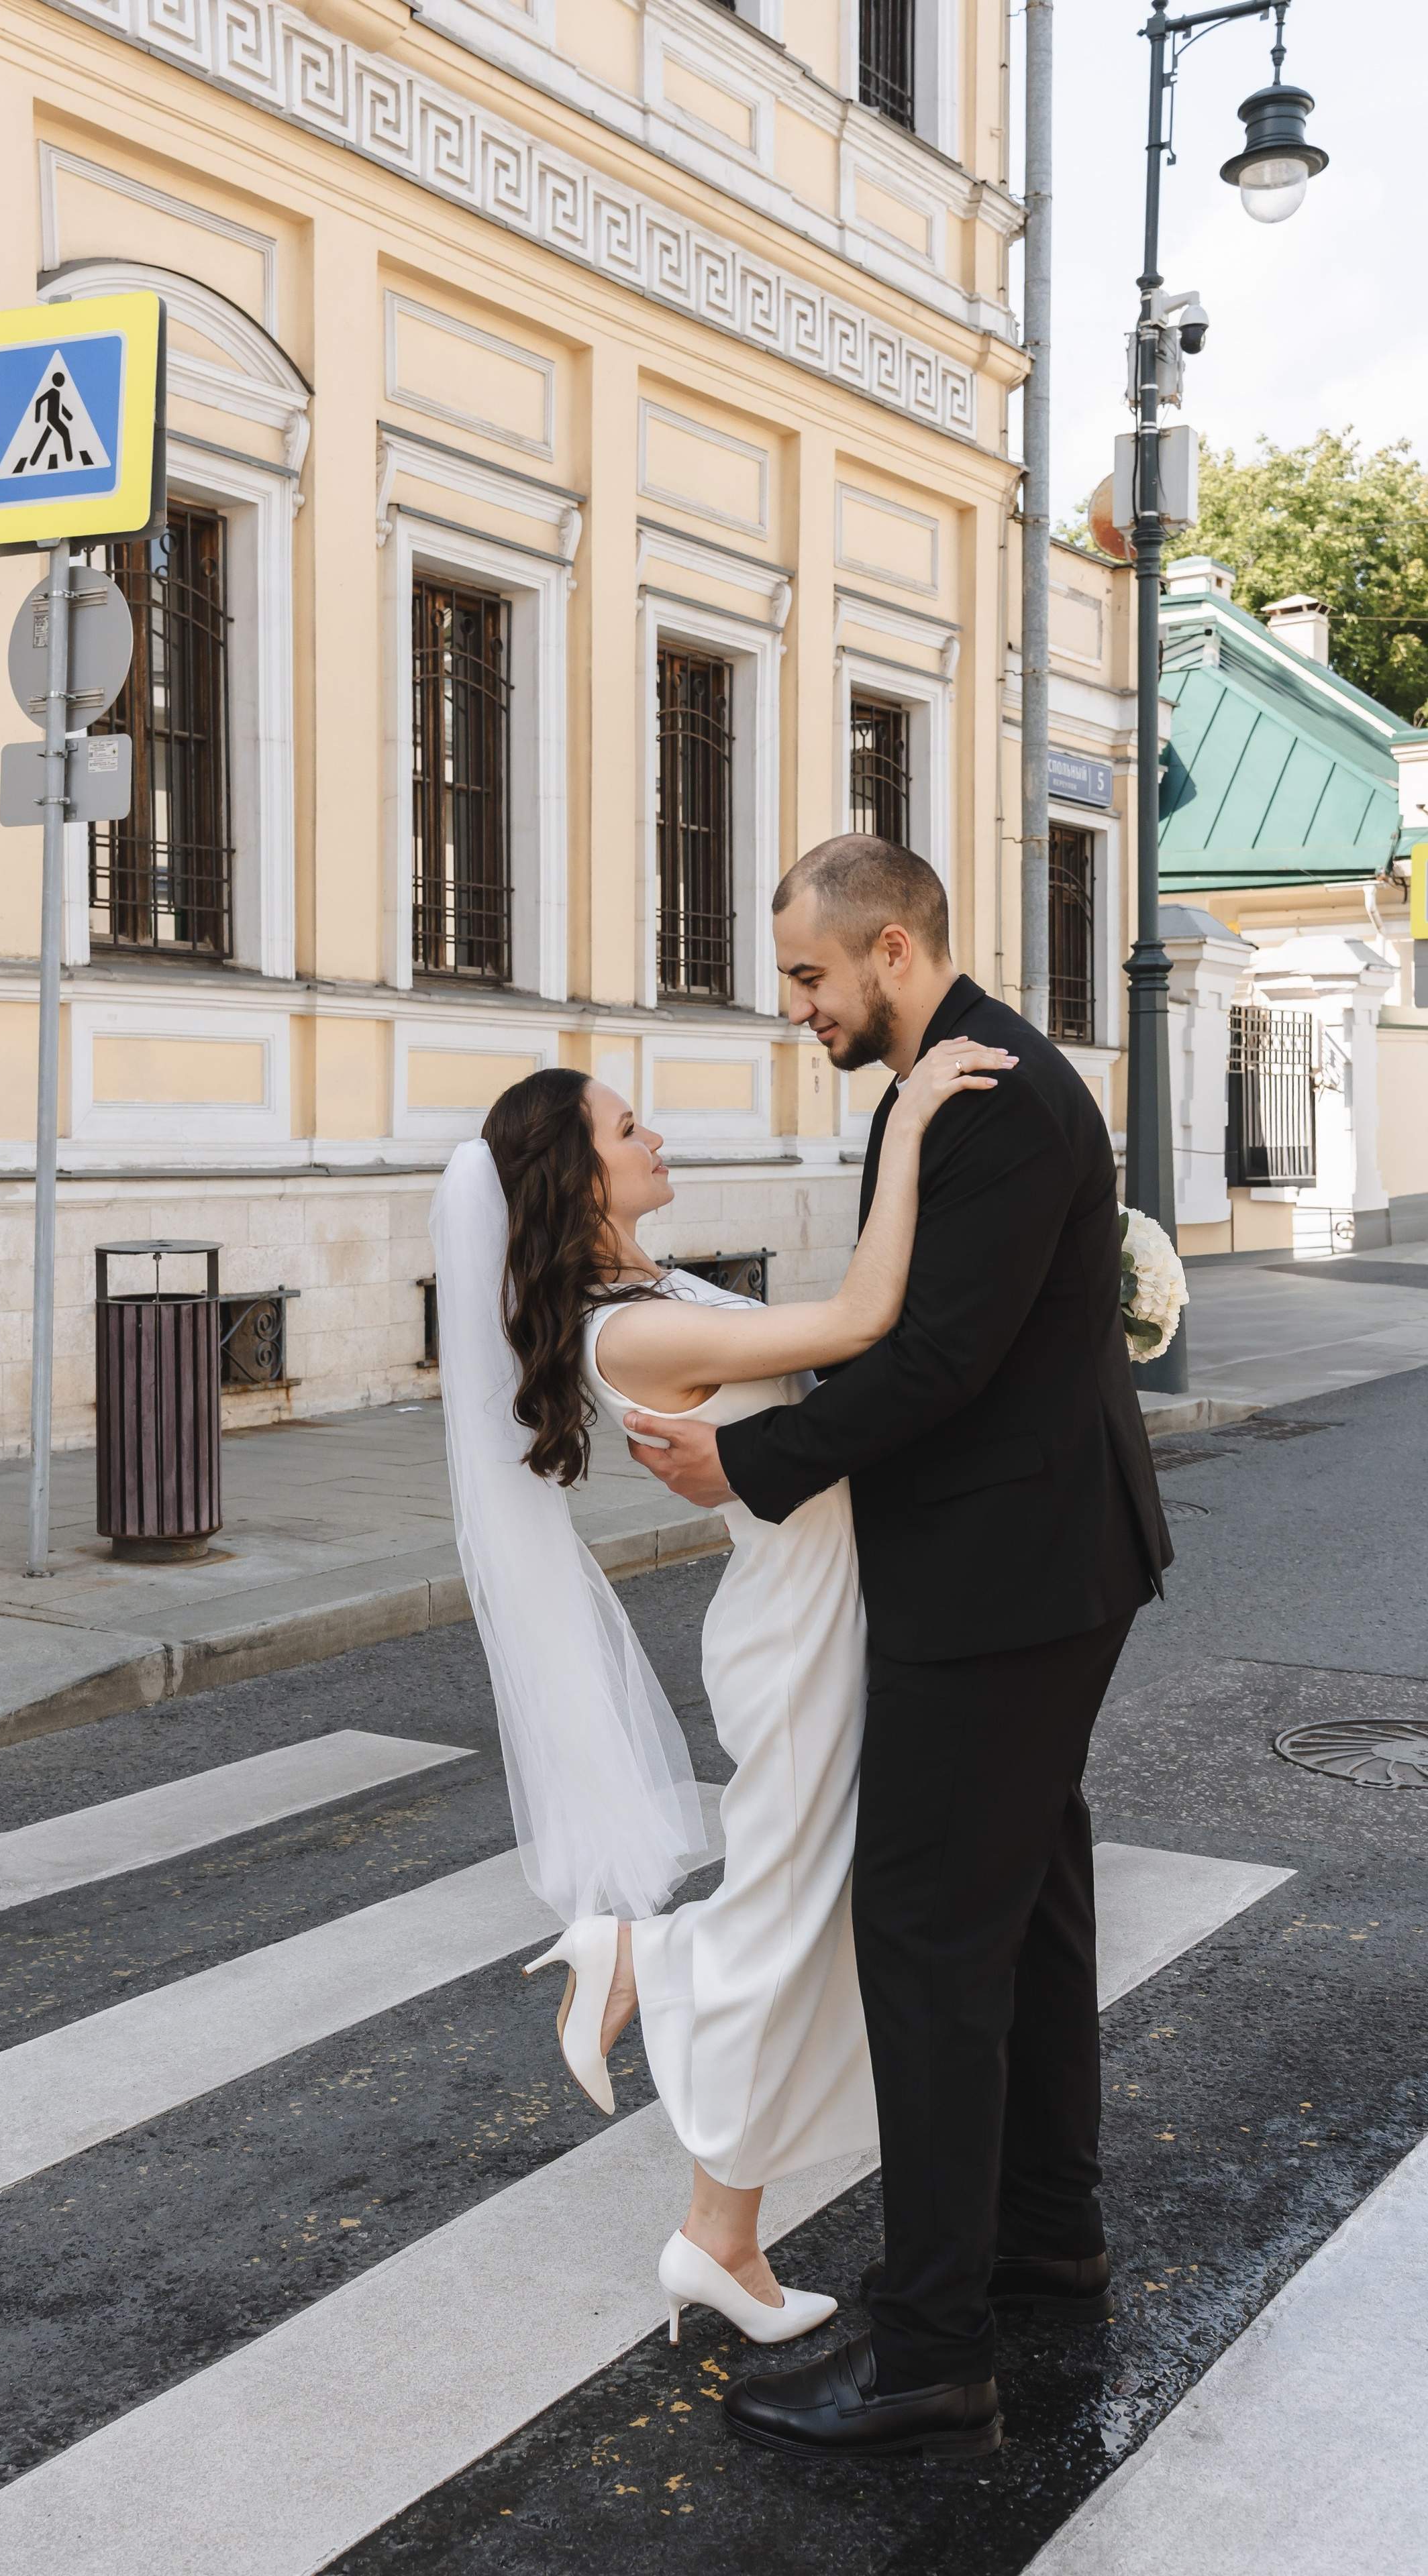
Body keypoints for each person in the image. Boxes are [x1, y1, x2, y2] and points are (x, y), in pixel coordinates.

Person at [623, 833, 1170, 2462]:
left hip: (1001, 1577)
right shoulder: (946, 1080)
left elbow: (936, 1358)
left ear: (892, 951)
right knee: (1030, 1908)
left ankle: (931, 2347)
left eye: (807, 974)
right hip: (1041, 1557)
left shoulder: (982, 1095)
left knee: (927, 1934)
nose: (792, 1004)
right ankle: (1040, 2239)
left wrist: (751, 1462)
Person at [427, 1022, 1013, 2351]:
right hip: (797, 1628)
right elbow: (863, 1320)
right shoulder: (628, 1334)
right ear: (577, 1179)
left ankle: (720, 2237)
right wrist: (909, 1122)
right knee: (789, 1911)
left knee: (813, 1915)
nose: (655, 1140)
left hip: (828, 1607)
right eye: (628, 1130)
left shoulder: (659, 1290)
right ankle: (639, 1954)